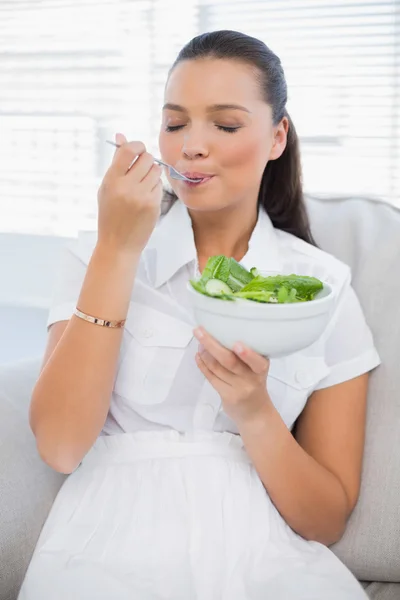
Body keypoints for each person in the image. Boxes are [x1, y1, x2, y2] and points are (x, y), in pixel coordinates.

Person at [19, 30, 380, 600]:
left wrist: (255, 411)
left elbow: (325, 520)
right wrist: (116, 250)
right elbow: (61, 446)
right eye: (175, 123)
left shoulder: (325, 290)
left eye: (226, 125)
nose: (191, 146)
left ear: (276, 136)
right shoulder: (98, 254)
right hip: (107, 548)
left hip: (266, 561)